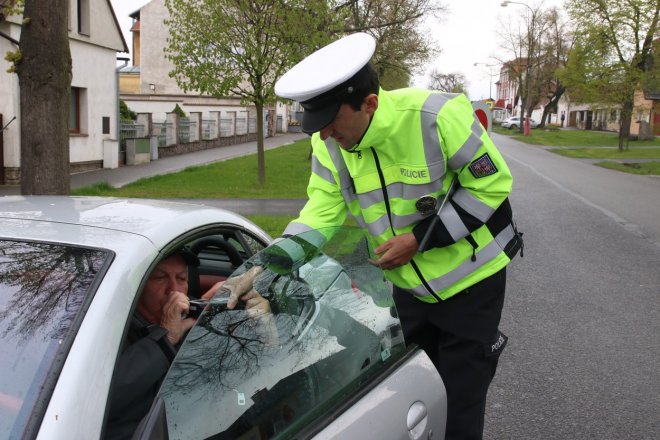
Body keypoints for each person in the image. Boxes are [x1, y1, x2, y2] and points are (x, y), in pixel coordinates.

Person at [262, 33, 522, 440]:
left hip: (472, 286)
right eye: (319, 125)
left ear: (370, 103)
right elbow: (321, 212)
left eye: (332, 121)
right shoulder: (328, 144)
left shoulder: (436, 115)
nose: (326, 134)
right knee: (415, 399)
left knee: (460, 407)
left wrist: (419, 240)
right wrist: (270, 262)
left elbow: (491, 185)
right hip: (408, 294)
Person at [106, 248, 270, 439]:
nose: (173, 289)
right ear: (139, 286)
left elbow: (255, 361)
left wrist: (264, 324)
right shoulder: (113, 335)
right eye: (160, 278)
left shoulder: (193, 310)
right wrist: (164, 338)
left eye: (182, 279)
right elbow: (104, 399)